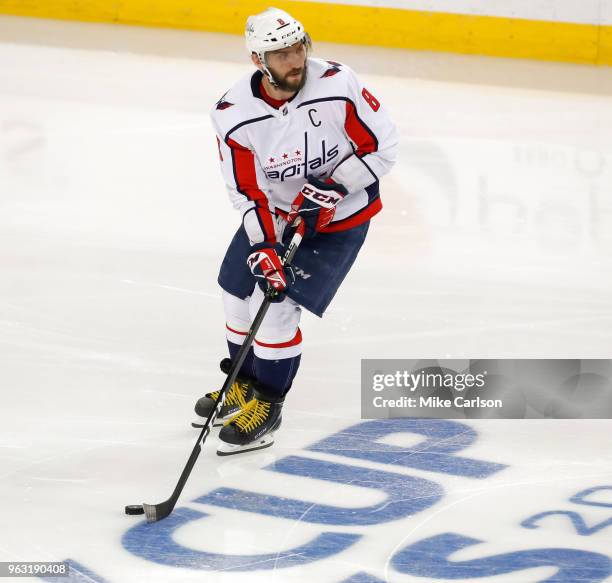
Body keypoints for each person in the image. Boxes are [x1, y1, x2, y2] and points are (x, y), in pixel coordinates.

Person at [193, 7, 398, 455]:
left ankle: (269, 405)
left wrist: (334, 186)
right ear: (257, 61)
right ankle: (243, 385)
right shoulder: (233, 114)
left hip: (341, 219)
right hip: (280, 215)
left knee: (278, 304)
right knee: (236, 290)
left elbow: (382, 148)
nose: (295, 60)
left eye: (298, 47)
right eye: (281, 53)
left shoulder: (338, 84)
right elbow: (248, 190)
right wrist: (265, 244)